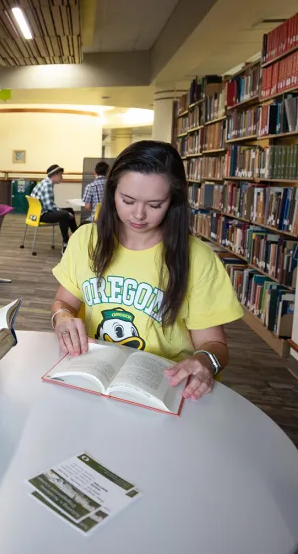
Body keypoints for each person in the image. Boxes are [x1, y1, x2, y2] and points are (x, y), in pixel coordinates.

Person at [49, 141, 243, 401]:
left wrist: (204, 362)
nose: (138, 215)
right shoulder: (86, 239)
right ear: (112, 193)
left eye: (154, 205)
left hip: (165, 384)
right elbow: (64, 302)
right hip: (93, 376)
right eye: (127, 200)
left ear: (172, 201)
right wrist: (61, 317)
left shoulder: (197, 258)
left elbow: (215, 345)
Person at [31, 163, 78, 252]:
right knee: (64, 214)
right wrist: (65, 213)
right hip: (42, 215)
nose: (62, 177)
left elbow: (49, 205)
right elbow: (50, 206)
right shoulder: (47, 185)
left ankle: (76, 235)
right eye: (60, 175)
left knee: (69, 210)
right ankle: (66, 243)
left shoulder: (44, 182)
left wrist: (65, 212)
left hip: (37, 213)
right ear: (55, 175)